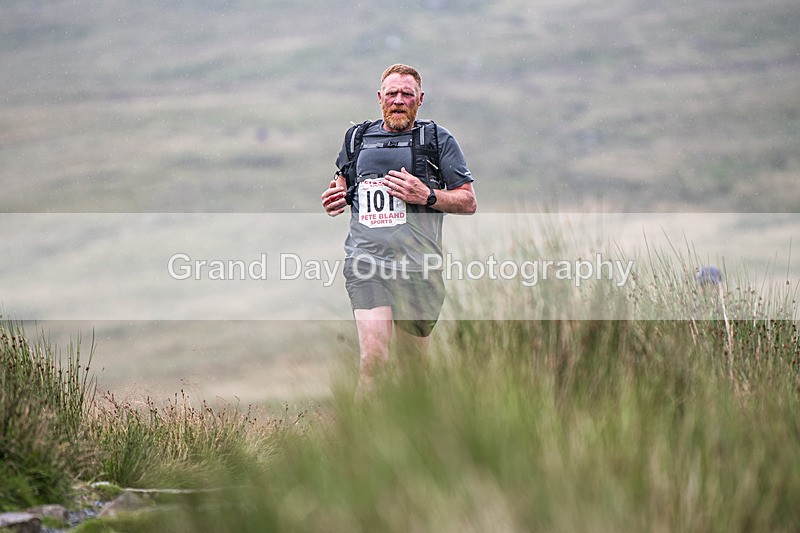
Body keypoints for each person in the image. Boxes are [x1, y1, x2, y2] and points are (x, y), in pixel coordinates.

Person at [321, 64, 477, 396]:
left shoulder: (436, 139)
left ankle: (413, 441)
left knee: (413, 370)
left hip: (418, 267)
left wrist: (428, 195)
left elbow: (468, 200)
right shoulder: (357, 138)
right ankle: (357, 445)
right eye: (392, 93)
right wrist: (335, 197)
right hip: (366, 263)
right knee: (373, 361)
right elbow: (343, 183)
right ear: (380, 98)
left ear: (420, 99)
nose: (399, 100)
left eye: (407, 94)